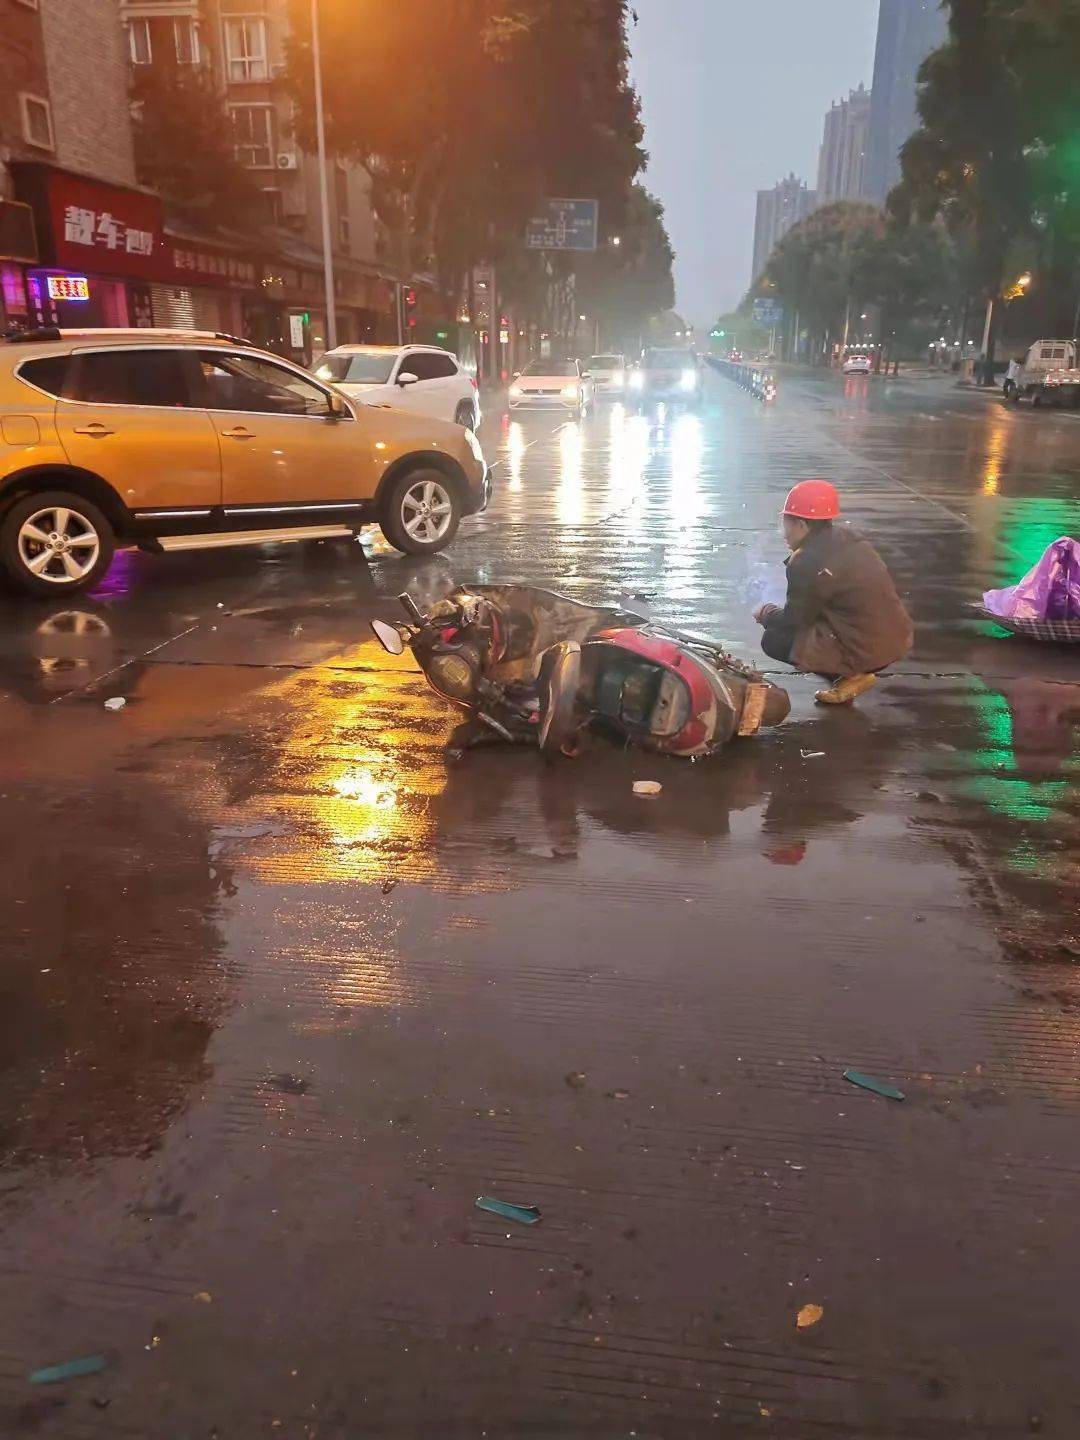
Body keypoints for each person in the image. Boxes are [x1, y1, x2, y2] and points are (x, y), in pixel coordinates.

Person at [752, 479, 913, 705]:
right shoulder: (850, 539)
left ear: (800, 524)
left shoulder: (807, 561)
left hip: (867, 649)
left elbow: (795, 621)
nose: (784, 533)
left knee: (774, 639)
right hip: (895, 639)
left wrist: (766, 613)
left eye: (785, 524)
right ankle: (852, 672)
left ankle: (851, 675)